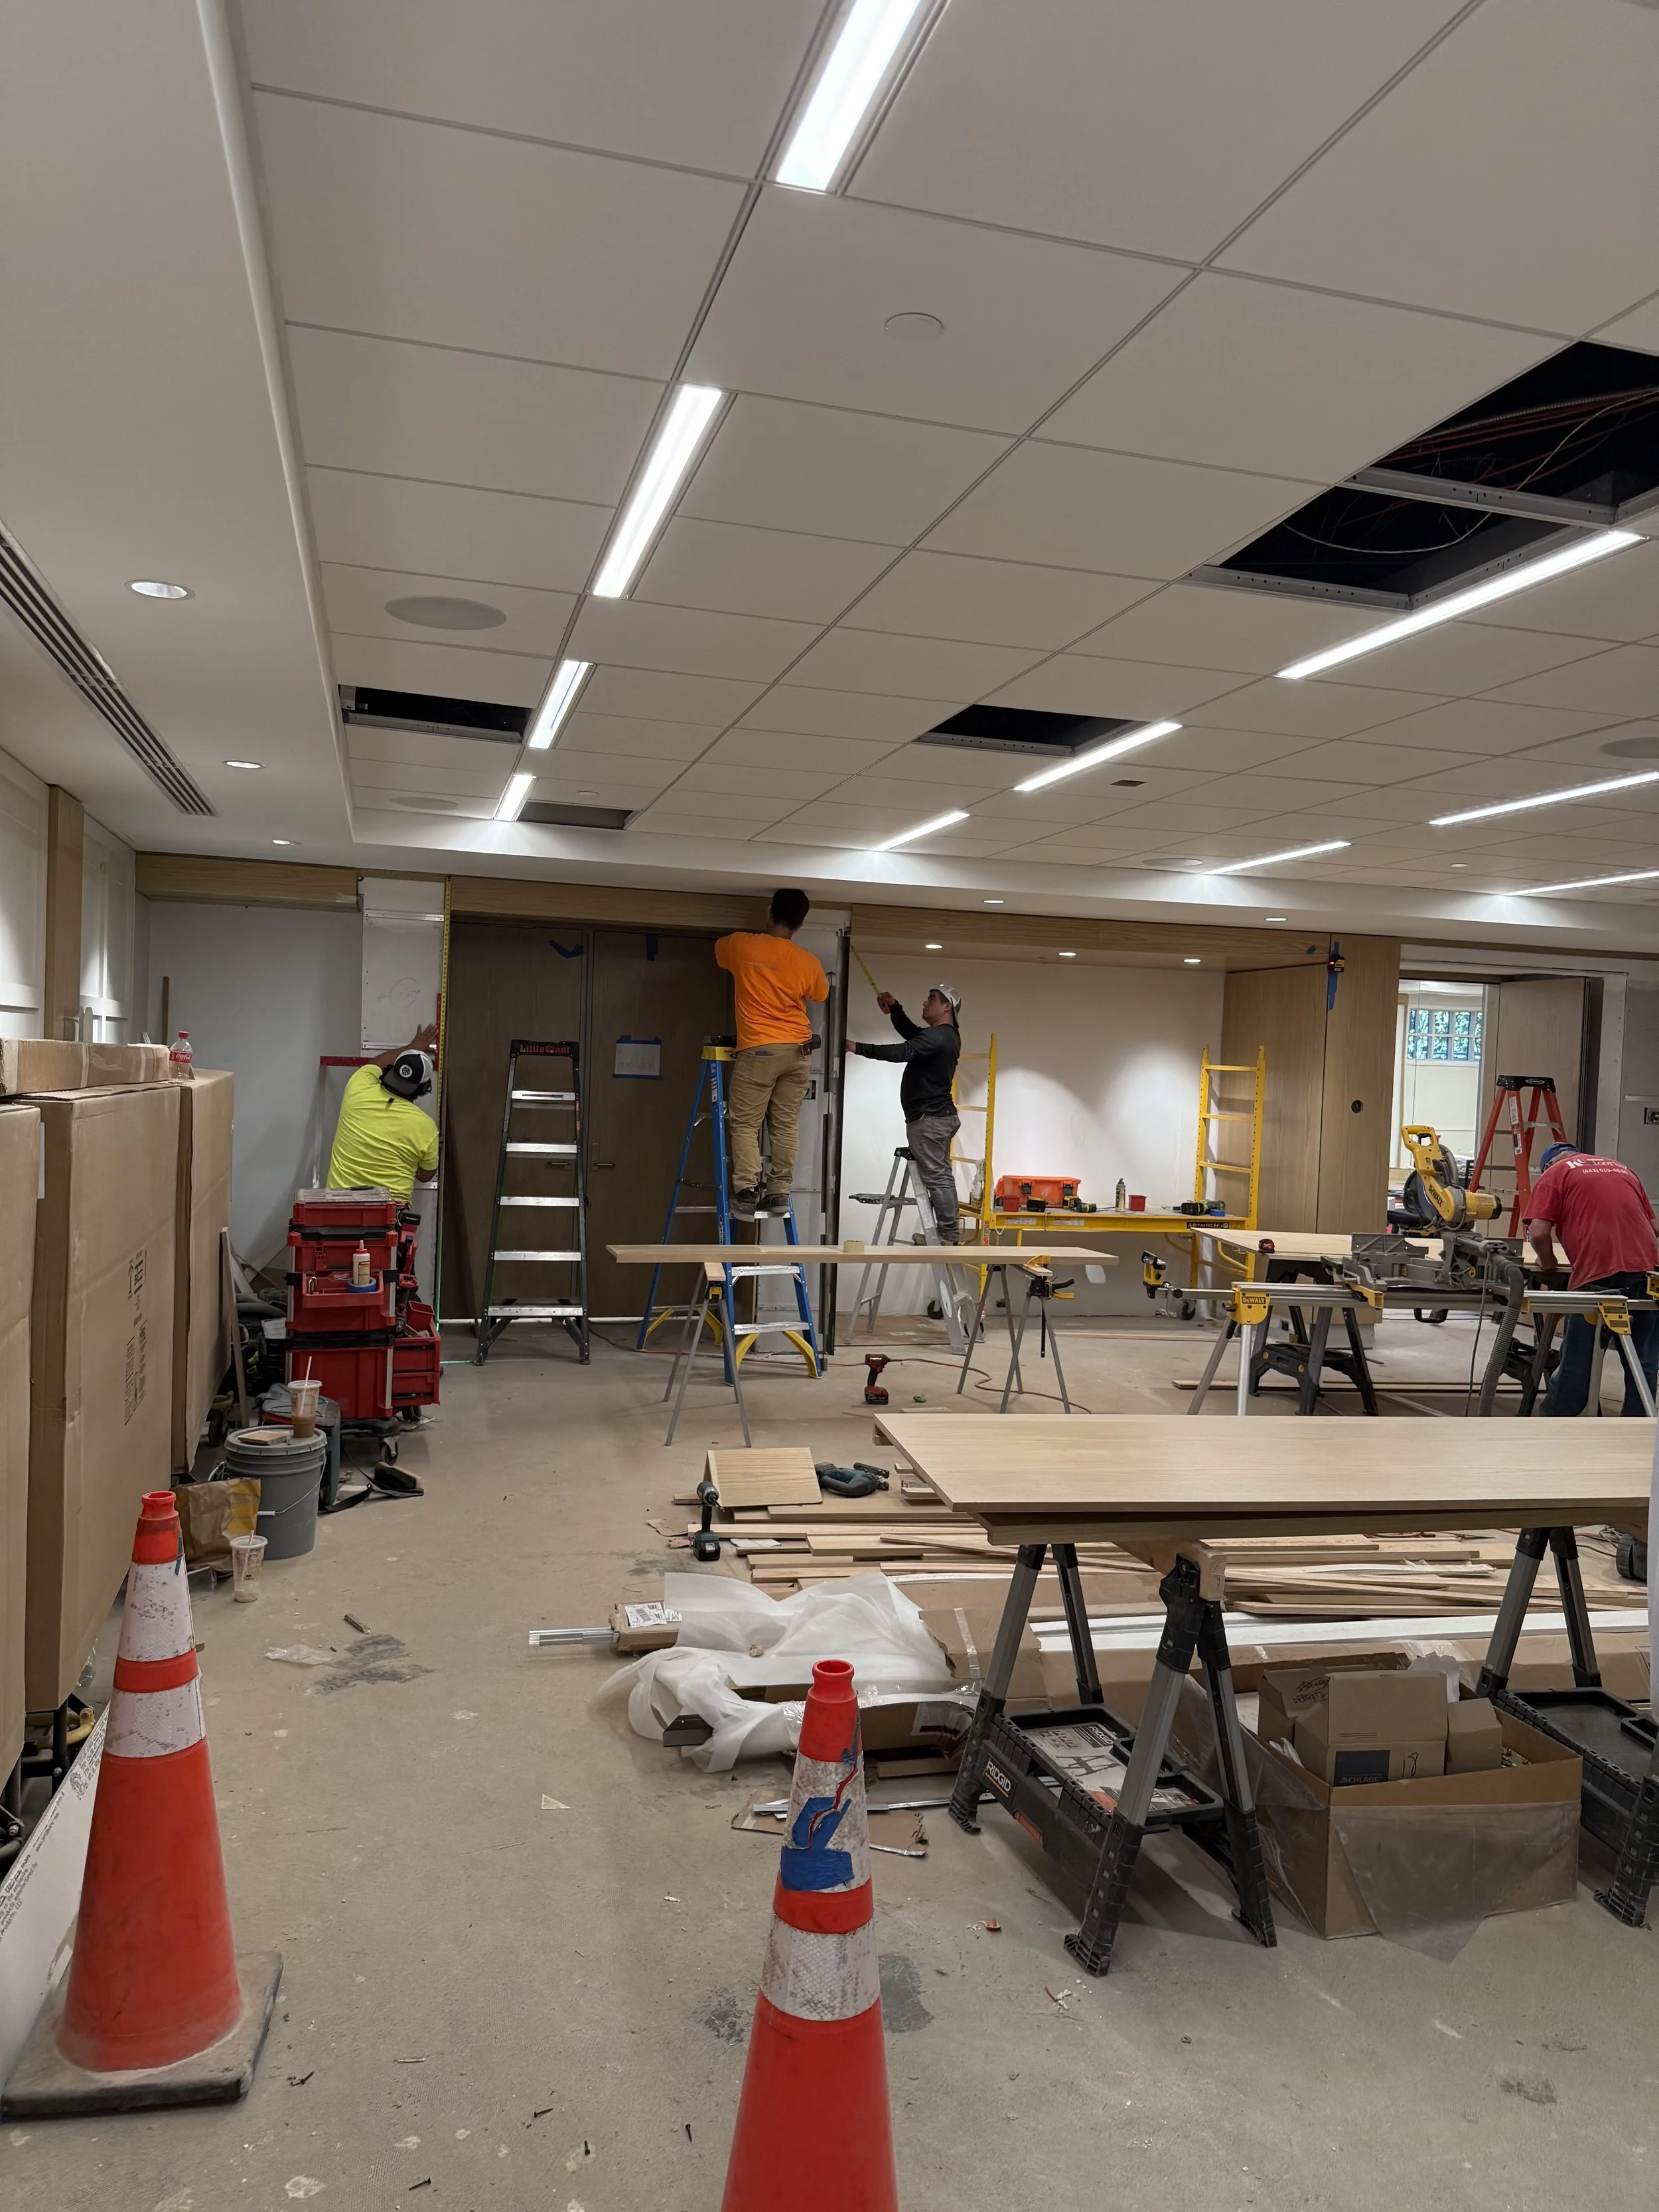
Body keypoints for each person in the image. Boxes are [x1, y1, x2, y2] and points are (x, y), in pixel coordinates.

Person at [715, 891, 829, 1220]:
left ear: (770, 911)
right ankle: (779, 1192)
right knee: (785, 1124)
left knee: (746, 1122)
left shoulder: (742, 945)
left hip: (760, 1048)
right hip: (798, 1050)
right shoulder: (807, 960)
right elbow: (820, 993)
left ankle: (747, 1193)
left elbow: (718, 952)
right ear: (801, 924)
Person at [1524, 1140, 1659, 1416]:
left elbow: (1538, 1234)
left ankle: (1556, 1421)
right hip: (1648, 1273)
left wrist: (1548, 1265)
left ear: (1548, 1165)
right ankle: (1635, 1429)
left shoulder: (1555, 1173)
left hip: (1599, 1277)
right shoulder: (1622, 1169)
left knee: (1578, 1361)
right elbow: (1654, 1226)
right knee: (1643, 1361)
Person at [849, 985, 964, 1244]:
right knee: (939, 1175)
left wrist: (857, 1047)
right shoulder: (940, 1036)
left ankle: (947, 1235)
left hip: (930, 1119)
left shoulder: (942, 1037)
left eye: (932, 999)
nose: (926, 1003)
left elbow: (904, 1051)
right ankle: (946, 1232)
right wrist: (896, 1008)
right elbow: (912, 1034)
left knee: (938, 1176)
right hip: (932, 1118)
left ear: (948, 1007)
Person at [326, 1023, 441, 1203]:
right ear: (422, 1089)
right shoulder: (426, 1127)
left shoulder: (358, 1089)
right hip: (387, 1219)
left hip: (339, 1207)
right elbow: (426, 1176)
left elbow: (374, 1064)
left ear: (390, 1072)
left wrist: (412, 1048)